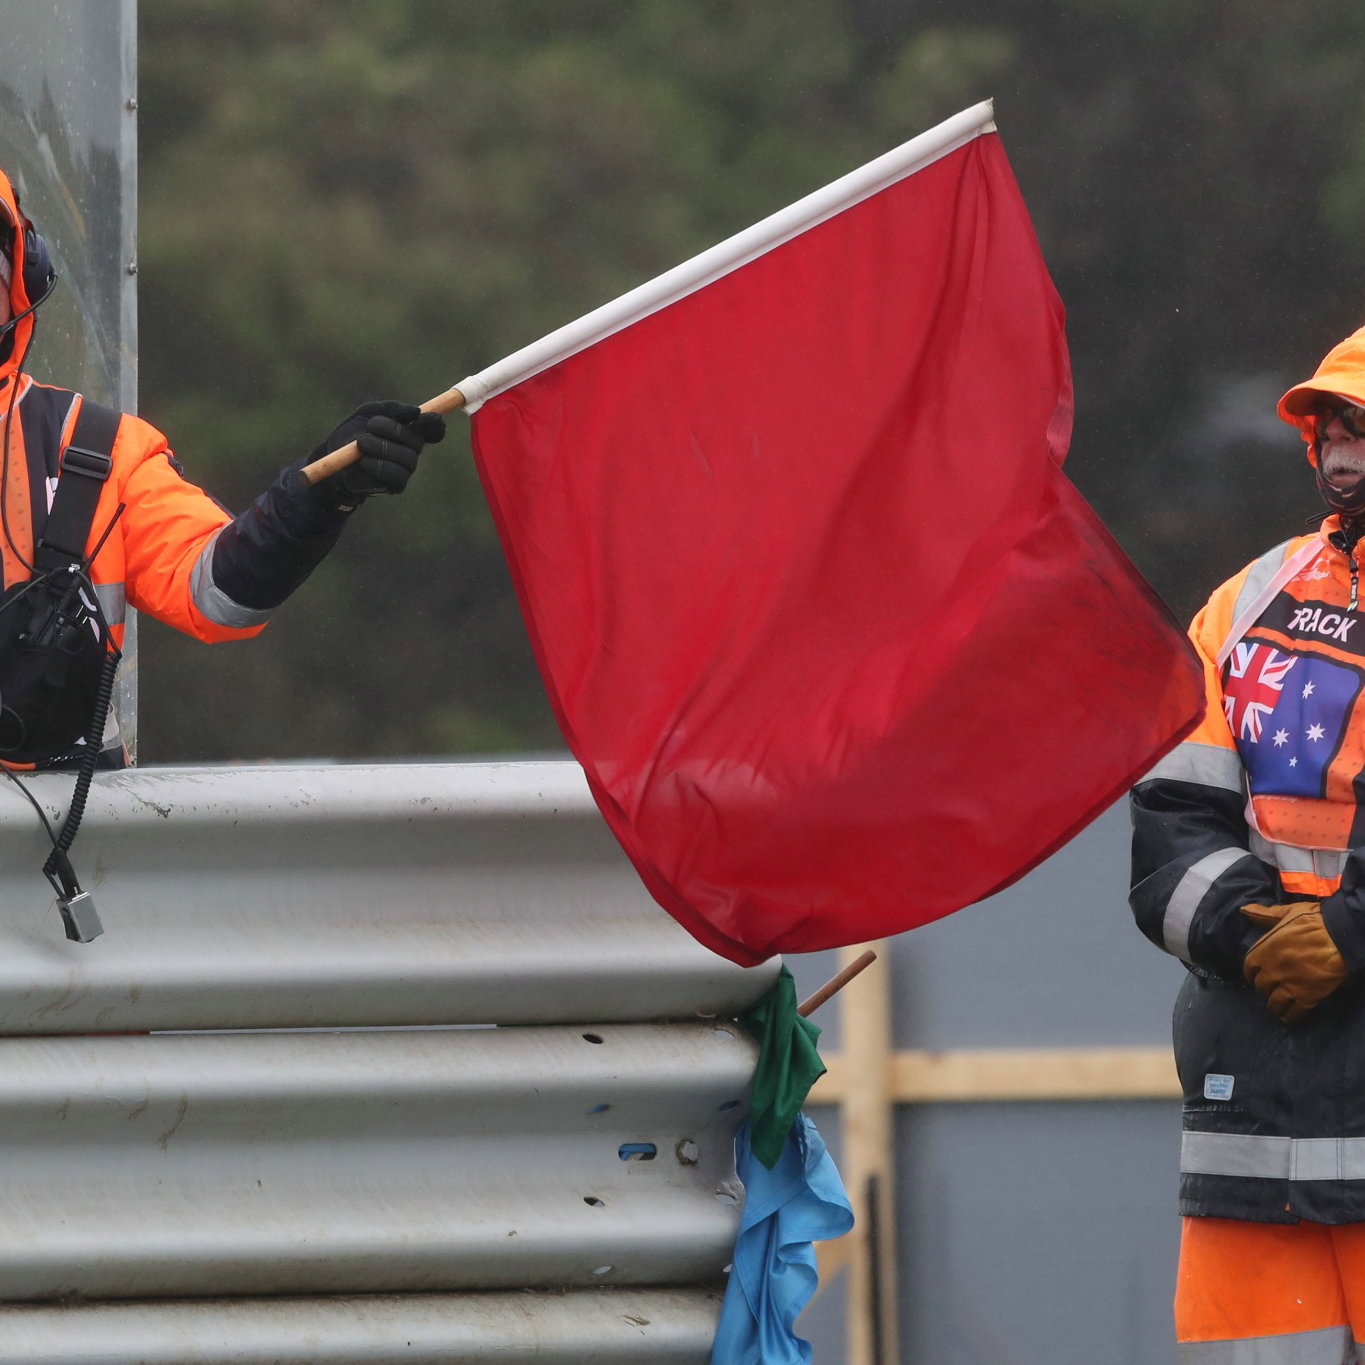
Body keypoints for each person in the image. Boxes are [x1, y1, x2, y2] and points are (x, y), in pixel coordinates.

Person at [0, 167, 444, 938]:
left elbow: (217, 593)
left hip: (49, 900)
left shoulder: (97, 450)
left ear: (19, 276)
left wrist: (316, 499)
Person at [1130, 323, 1365, 1361]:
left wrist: (1349, 936)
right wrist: (1253, 932)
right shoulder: (1246, 598)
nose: (1346, 452)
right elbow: (1174, 810)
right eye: (1333, 425)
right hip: (1267, 1074)